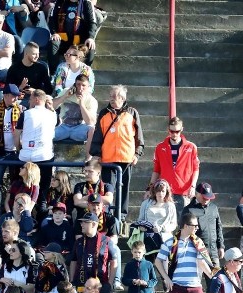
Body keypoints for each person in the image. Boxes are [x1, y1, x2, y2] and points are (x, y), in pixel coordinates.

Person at [89, 85, 145, 219]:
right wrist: (96, 155)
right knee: (108, 188)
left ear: (122, 98)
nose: (112, 99)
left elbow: (139, 137)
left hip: (126, 158)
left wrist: (137, 154)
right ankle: (107, 215)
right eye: (111, 96)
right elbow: (98, 135)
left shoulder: (132, 113)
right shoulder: (103, 113)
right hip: (108, 159)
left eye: (115, 97)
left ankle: (121, 216)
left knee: (124, 188)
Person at [151, 117, 200, 218]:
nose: (174, 134)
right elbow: (156, 170)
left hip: (183, 191)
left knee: (182, 221)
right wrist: (149, 188)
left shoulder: (191, 147)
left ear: (182, 129)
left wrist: (193, 186)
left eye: (177, 131)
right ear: (168, 129)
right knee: (165, 220)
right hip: (165, 191)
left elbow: (196, 169)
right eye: (172, 131)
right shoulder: (160, 147)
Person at [52, 72, 96, 149]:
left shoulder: (91, 100)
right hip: (63, 126)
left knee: (93, 130)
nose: (80, 88)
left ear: (88, 87)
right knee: (44, 133)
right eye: (78, 84)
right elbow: (51, 106)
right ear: (74, 84)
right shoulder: (66, 91)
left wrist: (81, 103)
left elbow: (90, 122)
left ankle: (88, 158)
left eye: (83, 85)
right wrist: (64, 96)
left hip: (80, 128)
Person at [48, 0, 97, 69]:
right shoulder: (59, 2)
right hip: (62, 40)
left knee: (90, 47)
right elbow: (52, 19)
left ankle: (84, 74)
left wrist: (90, 37)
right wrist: (54, 33)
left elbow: (92, 22)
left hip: (80, 42)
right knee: (53, 42)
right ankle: (54, 74)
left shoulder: (86, 3)